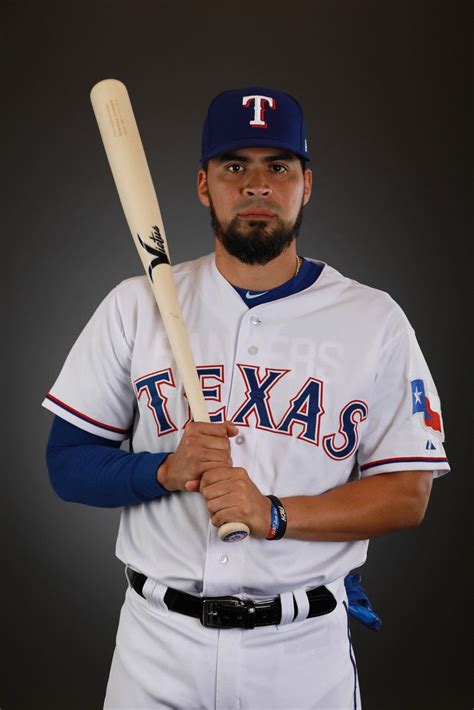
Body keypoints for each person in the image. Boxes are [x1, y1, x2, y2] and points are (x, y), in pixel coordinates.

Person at [42, 86, 450, 709]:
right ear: (205, 185)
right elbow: (66, 464)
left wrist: (276, 514)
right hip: (157, 647)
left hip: (301, 654)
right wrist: (163, 469)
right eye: (235, 165)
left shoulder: (374, 319)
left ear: (305, 184)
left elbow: (408, 492)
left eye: (278, 166)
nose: (257, 184)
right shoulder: (136, 305)